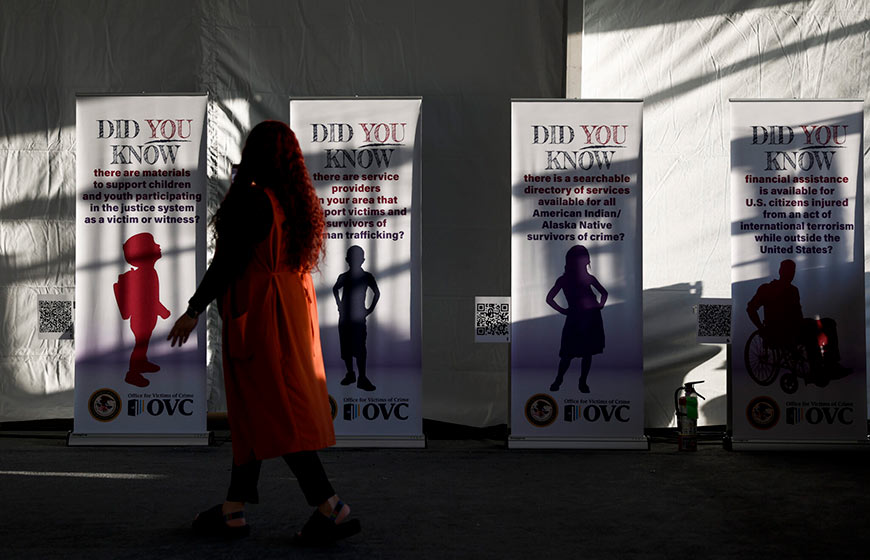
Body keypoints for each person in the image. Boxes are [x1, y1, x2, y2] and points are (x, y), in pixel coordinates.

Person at [167, 121, 360, 544]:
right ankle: (233, 511)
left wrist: (193, 310)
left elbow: (228, 263)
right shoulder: (293, 200)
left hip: (261, 317)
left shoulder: (253, 200)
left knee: (275, 411)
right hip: (289, 311)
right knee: (258, 412)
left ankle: (332, 507)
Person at [746, 258, 844, 386]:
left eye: (792, 271)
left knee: (828, 323)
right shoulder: (767, 289)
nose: (790, 274)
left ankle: (831, 363)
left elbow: (798, 315)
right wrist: (761, 329)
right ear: (781, 271)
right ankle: (817, 370)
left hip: (796, 328)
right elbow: (751, 308)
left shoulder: (793, 291)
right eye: (788, 271)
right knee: (810, 329)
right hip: (779, 333)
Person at [546, 245, 607, 393]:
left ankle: (582, 382)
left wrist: (599, 305)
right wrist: (564, 311)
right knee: (568, 354)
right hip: (577, 318)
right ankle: (560, 379)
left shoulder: (586, 278)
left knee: (587, 352)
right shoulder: (565, 279)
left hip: (590, 318)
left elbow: (604, 293)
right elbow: (549, 298)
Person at [114, 232, 171, 388]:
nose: (158, 246)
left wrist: (159, 311)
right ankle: (132, 373)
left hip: (146, 317)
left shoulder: (149, 272)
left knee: (143, 344)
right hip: (141, 319)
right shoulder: (146, 274)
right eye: (154, 244)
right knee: (140, 345)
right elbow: (149, 298)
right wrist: (163, 310)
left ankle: (142, 363)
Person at [333, 245, 380, 391]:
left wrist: (369, 310)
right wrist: (339, 305)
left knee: (360, 347)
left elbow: (377, 293)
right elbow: (335, 289)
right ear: (347, 260)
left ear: (363, 260)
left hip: (358, 317)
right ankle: (351, 374)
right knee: (346, 347)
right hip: (345, 317)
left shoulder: (366, 276)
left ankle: (362, 377)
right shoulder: (344, 276)